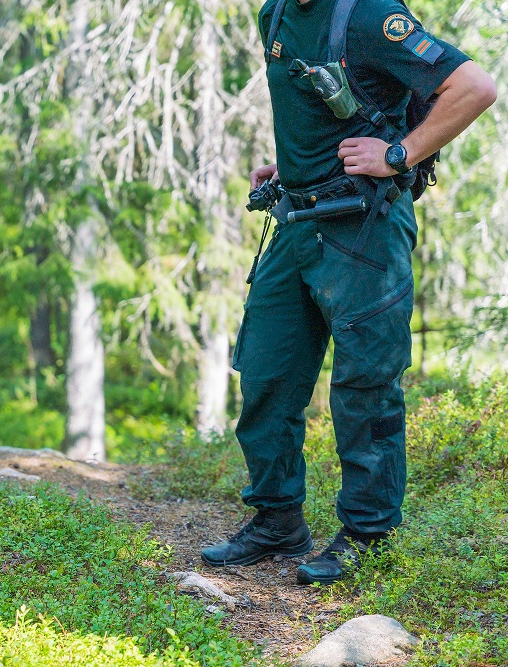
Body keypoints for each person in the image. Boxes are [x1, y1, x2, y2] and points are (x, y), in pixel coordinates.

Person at [200, 0, 497, 585]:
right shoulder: (277, 13)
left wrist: (398, 154)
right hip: (297, 219)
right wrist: (292, 166)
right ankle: (277, 519)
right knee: (266, 371)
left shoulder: (369, 16)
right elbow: (318, 105)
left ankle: (369, 534)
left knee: (365, 386)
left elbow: (475, 86)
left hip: (364, 230)